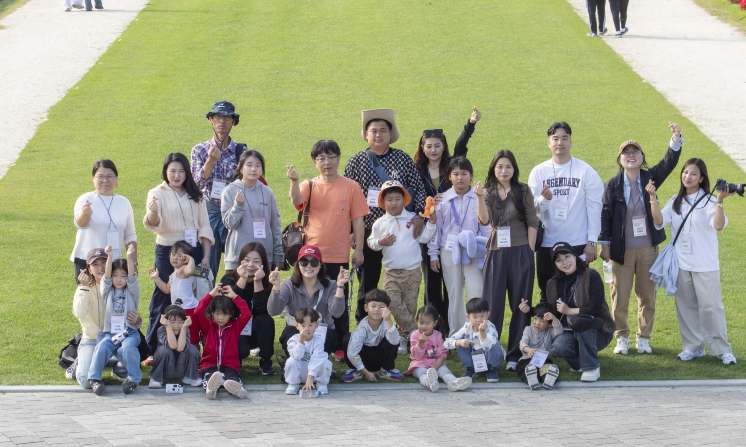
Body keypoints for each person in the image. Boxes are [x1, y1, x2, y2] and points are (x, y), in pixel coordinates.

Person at [599, 124, 683, 356]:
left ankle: (644, 338)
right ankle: (622, 337)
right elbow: (605, 215)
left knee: (647, 295)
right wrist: (604, 244)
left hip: (647, 249)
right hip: (621, 251)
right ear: (620, 159)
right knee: (620, 296)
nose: (631, 155)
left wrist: (676, 139)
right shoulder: (613, 184)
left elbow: (668, 163)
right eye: (626, 153)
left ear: (642, 157)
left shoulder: (649, 179)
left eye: (635, 152)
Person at [647, 159, 737, 365]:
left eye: (693, 174)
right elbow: (660, 221)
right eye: (685, 172)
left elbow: (718, 225)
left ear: (702, 178)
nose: (688, 177)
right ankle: (693, 347)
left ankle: (722, 349)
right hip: (682, 264)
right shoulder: (675, 200)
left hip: (705, 265)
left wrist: (720, 201)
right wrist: (652, 198)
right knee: (685, 308)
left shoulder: (709, 200)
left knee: (711, 307)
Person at [287, 139, 369, 360]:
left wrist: (359, 250)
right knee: (308, 298)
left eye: (332, 157)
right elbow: (296, 201)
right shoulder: (309, 185)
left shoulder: (351, 187)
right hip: (311, 256)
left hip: (338, 255)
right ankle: (304, 337)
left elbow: (358, 221)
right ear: (315, 162)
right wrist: (294, 181)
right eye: (321, 158)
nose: (327, 162)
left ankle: (340, 344)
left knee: (338, 299)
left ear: (338, 158)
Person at [343, 108, 426, 323]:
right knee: (367, 283)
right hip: (368, 231)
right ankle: (365, 325)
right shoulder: (356, 162)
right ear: (366, 134)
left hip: (400, 231)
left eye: (383, 130)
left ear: (390, 134)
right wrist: (351, 231)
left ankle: (402, 329)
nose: (378, 135)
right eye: (373, 131)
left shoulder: (403, 159)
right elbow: (346, 198)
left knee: (402, 285)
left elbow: (418, 188)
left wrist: (419, 215)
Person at [413, 107, 482, 332]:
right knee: (433, 283)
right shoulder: (417, 169)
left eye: (437, 145)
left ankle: (461, 327)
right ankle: (437, 328)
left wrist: (470, 124)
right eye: (429, 146)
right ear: (422, 148)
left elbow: (461, 146)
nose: (433, 150)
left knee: (456, 285)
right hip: (430, 229)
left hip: (452, 229)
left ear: (444, 147)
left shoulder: (451, 167)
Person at [143, 152, 213, 359]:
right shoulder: (157, 193)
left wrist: (206, 256)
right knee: (164, 295)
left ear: (187, 172)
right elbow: (154, 223)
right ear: (165, 171)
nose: (176, 175)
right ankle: (153, 349)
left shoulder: (196, 193)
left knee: (195, 296)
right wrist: (152, 211)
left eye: (181, 171)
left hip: (193, 251)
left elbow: (204, 226)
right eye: (172, 171)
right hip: (168, 250)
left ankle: (196, 347)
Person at [475, 150, 539, 371]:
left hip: (521, 251)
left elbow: (533, 221)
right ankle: (492, 352)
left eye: (508, 166)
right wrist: (479, 197)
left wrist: (529, 250)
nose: (504, 170)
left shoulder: (523, 190)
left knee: (520, 305)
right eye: (500, 166)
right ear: (494, 169)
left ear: (514, 169)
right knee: (492, 305)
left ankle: (514, 354)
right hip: (496, 252)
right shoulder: (488, 192)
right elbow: (485, 220)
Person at [528, 122, 603, 302]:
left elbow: (595, 208)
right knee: (547, 291)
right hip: (548, 243)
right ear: (549, 143)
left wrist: (592, 241)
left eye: (564, 138)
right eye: (555, 139)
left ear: (570, 141)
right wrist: (545, 199)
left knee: (579, 293)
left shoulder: (585, 171)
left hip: (577, 242)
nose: (560, 143)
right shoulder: (539, 172)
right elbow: (532, 208)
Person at [368, 180, 436, 355]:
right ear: (383, 202)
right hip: (391, 272)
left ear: (404, 200)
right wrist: (380, 242)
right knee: (392, 303)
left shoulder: (413, 218)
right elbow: (371, 243)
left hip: (412, 271)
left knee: (409, 305)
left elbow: (423, 238)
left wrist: (431, 224)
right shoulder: (380, 223)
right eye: (389, 200)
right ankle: (415, 331)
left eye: (397, 199)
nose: (394, 203)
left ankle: (403, 337)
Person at [191, 101, 258, 279]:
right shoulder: (200, 150)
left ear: (233, 121)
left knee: (238, 264)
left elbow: (248, 182)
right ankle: (207, 296)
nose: (222, 121)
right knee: (207, 265)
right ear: (211, 120)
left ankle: (236, 295)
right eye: (218, 117)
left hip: (234, 210)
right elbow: (195, 186)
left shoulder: (241, 151)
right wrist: (210, 161)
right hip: (210, 212)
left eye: (227, 118)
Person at [429, 156, 489, 335]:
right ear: (449, 177)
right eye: (456, 174)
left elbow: (485, 226)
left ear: (471, 175)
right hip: (448, 250)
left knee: (476, 290)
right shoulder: (442, 200)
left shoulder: (479, 197)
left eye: (464, 173)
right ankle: (457, 333)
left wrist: (487, 250)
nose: (460, 178)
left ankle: (478, 331)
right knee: (454, 292)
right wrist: (433, 254)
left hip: (473, 249)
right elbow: (436, 229)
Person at [70, 248, 143, 388]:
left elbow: (131, 278)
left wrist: (139, 321)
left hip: (123, 336)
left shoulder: (129, 289)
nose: (101, 268)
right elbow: (79, 313)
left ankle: (124, 372)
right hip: (95, 339)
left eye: (104, 262)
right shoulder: (104, 288)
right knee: (85, 381)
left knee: (127, 358)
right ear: (89, 269)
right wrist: (84, 288)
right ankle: (81, 364)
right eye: (95, 264)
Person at [547, 242, 615, 382]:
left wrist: (569, 310)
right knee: (558, 347)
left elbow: (595, 308)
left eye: (567, 256)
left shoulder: (591, 275)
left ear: (575, 256)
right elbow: (551, 310)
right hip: (568, 330)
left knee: (580, 321)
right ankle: (579, 364)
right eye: (559, 260)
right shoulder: (553, 283)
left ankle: (591, 368)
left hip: (597, 330)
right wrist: (529, 310)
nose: (565, 262)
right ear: (555, 264)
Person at [267, 245, 349, 355]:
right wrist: (275, 287)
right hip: (296, 329)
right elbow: (273, 311)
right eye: (304, 262)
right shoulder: (289, 284)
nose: (309, 266)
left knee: (327, 338)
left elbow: (337, 313)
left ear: (320, 265)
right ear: (298, 265)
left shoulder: (331, 285)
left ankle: (313, 361)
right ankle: (298, 359)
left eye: (314, 262)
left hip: (321, 329)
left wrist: (340, 286)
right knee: (289, 334)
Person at [71, 159, 137, 283]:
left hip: (115, 263)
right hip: (88, 262)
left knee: (114, 296)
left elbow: (130, 235)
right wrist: (85, 214)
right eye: (100, 177)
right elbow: (80, 224)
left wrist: (133, 264)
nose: (105, 181)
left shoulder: (124, 202)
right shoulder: (85, 199)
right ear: (93, 179)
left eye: (109, 176)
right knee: (88, 295)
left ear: (116, 179)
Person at [221, 150, 283, 273]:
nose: (253, 169)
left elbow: (275, 225)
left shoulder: (267, 192)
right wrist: (238, 206)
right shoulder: (229, 191)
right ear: (240, 168)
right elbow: (229, 224)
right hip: (237, 258)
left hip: (263, 258)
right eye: (249, 165)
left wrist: (279, 254)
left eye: (258, 165)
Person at [220, 242, 277, 376]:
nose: (250, 265)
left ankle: (266, 361)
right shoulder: (228, 279)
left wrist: (257, 282)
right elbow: (227, 307)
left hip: (255, 329)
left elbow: (262, 310)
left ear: (263, 264)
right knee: (242, 349)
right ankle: (235, 360)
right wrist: (242, 279)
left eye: (256, 261)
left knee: (266, 320)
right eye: (246, 260)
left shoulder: (266, 282)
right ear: (240, 261)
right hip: (235, 328)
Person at [192, 284, 252, 399]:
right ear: (212, 313)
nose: (220, 318)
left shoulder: (235, 326)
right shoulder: (207, 326)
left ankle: (237, 388)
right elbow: (198, 312)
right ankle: (211, 389)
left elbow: (247, 314)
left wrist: (235, 297)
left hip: (230, 363)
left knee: (232, 376)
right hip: (209, 363)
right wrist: (211, 295)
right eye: (217, 314)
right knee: (210, 376)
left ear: (231, 314)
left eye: (224, 314)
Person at [406, 305, 472, 392]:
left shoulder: (438, 335)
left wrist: (434, 368)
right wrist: (421, 344)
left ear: (435, 323)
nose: (424, 326)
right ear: (417, 321)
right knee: (422, 373)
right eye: (421, 323)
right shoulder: (414, 335)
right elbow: (416, 357)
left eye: (428, 323)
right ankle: (429, 382)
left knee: (444, 371)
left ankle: (454, 382)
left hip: (436, 362)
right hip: (420, 364)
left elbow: (442, 355)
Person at [341, 289, 403, 382]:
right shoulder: (362, 327)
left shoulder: (387, 324)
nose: (377, 309)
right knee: (348, 337)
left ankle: (387, 369)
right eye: (373, 306)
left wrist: (389, 320)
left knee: (392, 333)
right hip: (362, 358)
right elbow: (352, 353)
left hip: (379, 358)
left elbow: (395, 341)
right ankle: (355, 370)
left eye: (381, 307)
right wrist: (366, 373)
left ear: (387, 309)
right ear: (366, 308)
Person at [148, 241, 199, 344]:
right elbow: (167, 289)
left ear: (185, 259)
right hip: (178, 309)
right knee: (181, 336)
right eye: (173, 254)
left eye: (180, 256)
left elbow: (190, 271)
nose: (175, 257)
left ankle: (195, 354)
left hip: (189, 308)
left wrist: (191, 259)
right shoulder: (173, 274)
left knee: (191, 339)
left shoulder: (183, 269)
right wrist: (156, 278)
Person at [444, 297, 504, 383]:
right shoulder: (466, 327)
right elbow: (446, 343)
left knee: (494, 345)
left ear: (488, 314)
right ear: (468, 317)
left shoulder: (491, 328)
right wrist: (458, 342)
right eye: (475, 317)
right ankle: (471, 368)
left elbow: (487, 347)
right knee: (461, 344)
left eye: (482, 316)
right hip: (475, 356)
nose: (479, 320)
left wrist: (482, 332)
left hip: (490, 356)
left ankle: (491, 369)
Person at [148, 305, 201, 389]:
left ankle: (191, 377)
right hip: (167, 369)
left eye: (180, 322)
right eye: (172, 322)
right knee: (164, 350)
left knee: (191, 349)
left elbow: (180, 348)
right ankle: (156, 379)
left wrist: (184, 327)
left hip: (181, 368)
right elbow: (172, 346)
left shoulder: (185, 329)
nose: (176, 325)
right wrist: (168, 326)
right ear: (165, 320)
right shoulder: (162, 329)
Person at [284, 308, 333, 396]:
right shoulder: (293, 340)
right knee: (290, 361)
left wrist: (310, 377)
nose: (306, 329)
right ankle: (293, 383)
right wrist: (301, 341)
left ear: (316, 325)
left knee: (326, 362)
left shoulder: (318, 341)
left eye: (310, 325)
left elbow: (317, 358)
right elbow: (296, 356)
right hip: (300, 372)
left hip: (314, 375)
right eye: (303, 325)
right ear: (297, 326)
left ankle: (321, 383)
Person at [516, 302, 563, 390]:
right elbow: (522, 343)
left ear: (549, 324)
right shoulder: (528, 329)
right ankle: (531, 379)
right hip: (527, 359)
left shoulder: (550, 331)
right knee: (523, 368)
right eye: (535, 319)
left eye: (542, 321)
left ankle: (548, 379)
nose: (537, 323)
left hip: (544, 360)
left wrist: (553, 318)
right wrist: (528, 349)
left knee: (547, 368)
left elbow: (560, 331)